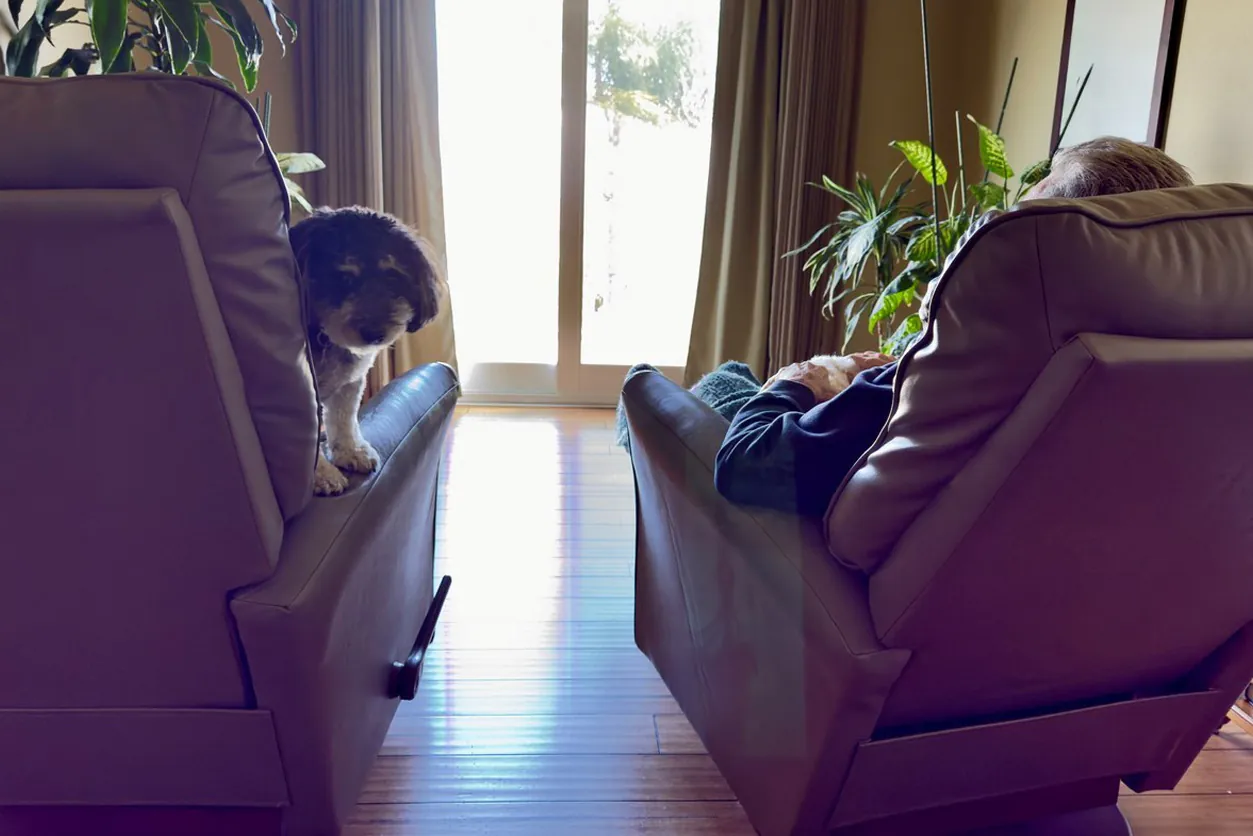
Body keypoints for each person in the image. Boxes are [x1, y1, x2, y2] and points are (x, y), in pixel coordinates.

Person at [714, 136, 1194, 516]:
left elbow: (747, 464)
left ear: (1043, 241)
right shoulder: (1196, 379)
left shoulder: (960, 374)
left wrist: (794, 386)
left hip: (878, 613)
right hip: (1114, 621)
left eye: (1012, 219)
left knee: (723, 385)